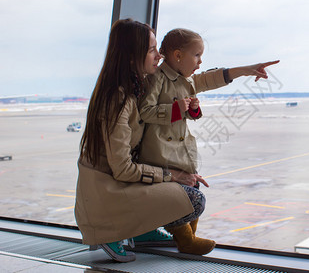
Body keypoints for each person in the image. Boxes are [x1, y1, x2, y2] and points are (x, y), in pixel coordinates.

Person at [74, 19, 215, 264]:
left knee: (190, 185)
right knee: (194, 199)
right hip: (109, 198)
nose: (159, 55)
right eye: (151, 49)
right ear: (131, 56)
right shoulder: (117, 101)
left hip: (120, 186)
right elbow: (123, 168)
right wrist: (172, 175)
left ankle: (140, 229)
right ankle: (114, 230)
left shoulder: (133, 90)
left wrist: (243, 71)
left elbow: (198, 81)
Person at [138, 28, 279, 245]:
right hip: (160, 155)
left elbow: (210, 79)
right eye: (196, 55)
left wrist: (193, 107)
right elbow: (145, 112)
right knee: (186, 196)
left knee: (193, 186)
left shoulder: (186, 80)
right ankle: (184, 240)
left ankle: (188, 238)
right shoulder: (158, 79)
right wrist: (175, 109)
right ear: (177, 55)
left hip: (178, 153)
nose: (200, 62)